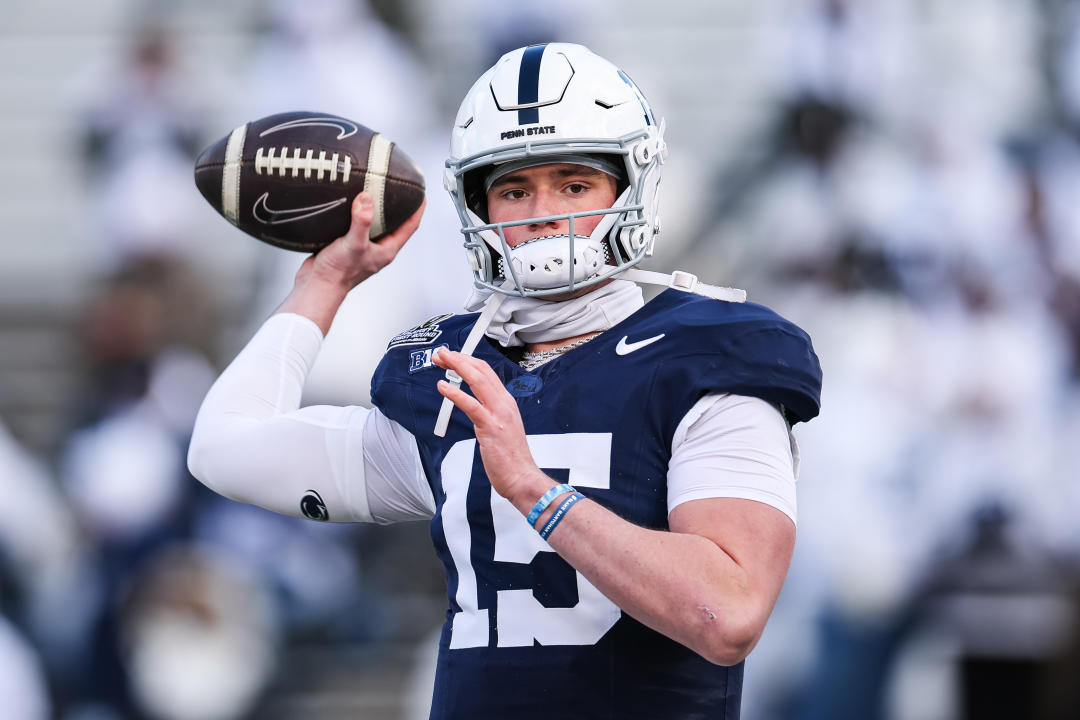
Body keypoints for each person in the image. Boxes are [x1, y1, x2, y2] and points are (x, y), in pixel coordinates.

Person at [188, 43, 822, 719]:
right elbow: (224, 448)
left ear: (629, 189)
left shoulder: (708, 356)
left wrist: (533, 490)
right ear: (478, 206)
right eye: (515, 188)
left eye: (573, 185)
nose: (542, 211)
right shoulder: (453, 373)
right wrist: (324, 282)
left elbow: (726, 613)